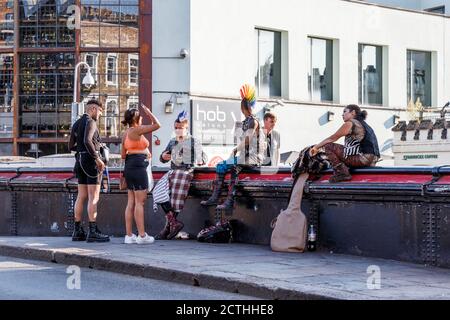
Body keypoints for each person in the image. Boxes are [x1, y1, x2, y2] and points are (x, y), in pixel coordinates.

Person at [200, 84, 267, 210]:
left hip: (253, 158)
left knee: (228, 166)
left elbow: (246, 140)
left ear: (243, 108)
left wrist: (235, 149)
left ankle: (224, 199)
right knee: (225, 166)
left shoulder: (253, 121)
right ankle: (222, 199)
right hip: (247, 157)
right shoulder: (247, 122)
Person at [155, 110, 207, 240]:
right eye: (176, 128)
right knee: (157, 191)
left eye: (180, 128)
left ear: (186, 127)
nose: (178, 130)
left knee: (175, 198)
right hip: (173, 172)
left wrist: (197, 158)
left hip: (185, 171)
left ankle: (168, 227)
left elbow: (202, 158)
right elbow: (162, 158)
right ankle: (173, 223)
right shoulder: (172, 142)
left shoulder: (194, 141)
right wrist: (163, 156)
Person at [69, 99, 110, 242]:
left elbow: (70, 145)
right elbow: (87, 140)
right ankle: (92, 231)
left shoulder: (76, 123)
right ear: (93, 109)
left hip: (79, 161)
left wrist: (81, 151)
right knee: (94, 197)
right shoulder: (91, 122)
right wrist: (97, 157)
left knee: (81, 196)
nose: (99, 115)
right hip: (91, 163)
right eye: (100, 111)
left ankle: (77, 230)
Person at [121, 104, 161, 244]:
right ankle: (142, 236)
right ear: (137, 118)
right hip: (138, 167)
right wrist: (149, 112)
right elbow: (157, 125)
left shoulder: (125, 133)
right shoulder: (137, 130)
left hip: (129, 166)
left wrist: (142, 151)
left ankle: (129, 235)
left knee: (131, 202)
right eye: (141, 116)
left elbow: (123, 155)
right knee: (140, 202)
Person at [310, 104, 380, 183]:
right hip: (372, 160)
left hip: (362, 158)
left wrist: (316, 147)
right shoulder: (365, 125)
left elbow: (333, 138)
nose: (342, 114)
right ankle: (344, 169)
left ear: (353, 112)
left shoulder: (351, 123)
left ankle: (342, 173)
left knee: (328, 146)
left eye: (345, 111)